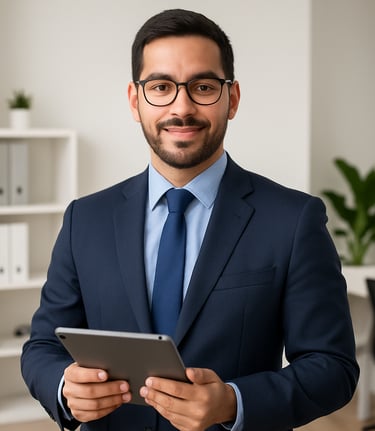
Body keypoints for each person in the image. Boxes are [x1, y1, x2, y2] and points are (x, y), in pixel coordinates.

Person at [21, 8, 359, 431]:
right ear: (135, 100)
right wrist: (63, 387)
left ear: (232, 98)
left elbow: (333, 367)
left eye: (203, 86)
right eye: (161, 86)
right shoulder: (84, 219)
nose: (182, 108)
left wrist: (233, 403)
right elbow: (41, 348)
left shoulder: (294, 220)